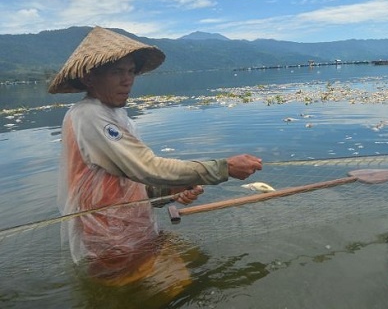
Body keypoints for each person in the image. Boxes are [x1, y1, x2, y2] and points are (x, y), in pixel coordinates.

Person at [48, 26, 263, 294]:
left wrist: (170, 191)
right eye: (116, 72)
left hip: (139, 233)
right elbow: (147, 168)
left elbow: (130, 181)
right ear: (90, 78)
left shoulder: (117, 116)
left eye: (130, 71)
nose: (127, 80)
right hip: (112, 242)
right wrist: (224, 168)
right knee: (169, 294)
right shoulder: (88, 115)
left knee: (190, 274)